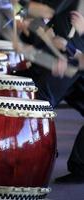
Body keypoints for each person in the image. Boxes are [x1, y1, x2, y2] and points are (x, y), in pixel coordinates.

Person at [12, 0, 84, 182]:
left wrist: (71, 51)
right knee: (34, 99)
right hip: (63, 57)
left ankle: (35, 161)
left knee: (39, 102)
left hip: (73, 58)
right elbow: (43, 16)